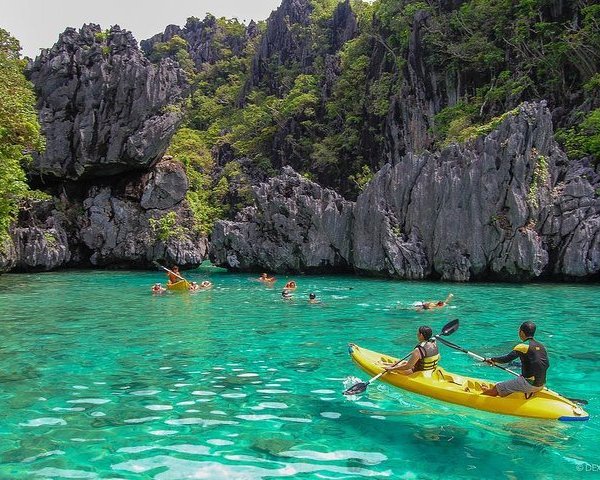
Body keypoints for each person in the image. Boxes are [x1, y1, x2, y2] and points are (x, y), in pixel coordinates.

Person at [481, 321, 549, 398]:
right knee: (513, 383)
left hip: (529, 385)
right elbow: (545, 364)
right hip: (541, 384)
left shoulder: (523, 346)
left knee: (497, 387)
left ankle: (481, 396)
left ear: (522, 332)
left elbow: (506, 359)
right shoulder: (542, 346)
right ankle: (491, 391)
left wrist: (492, 359)